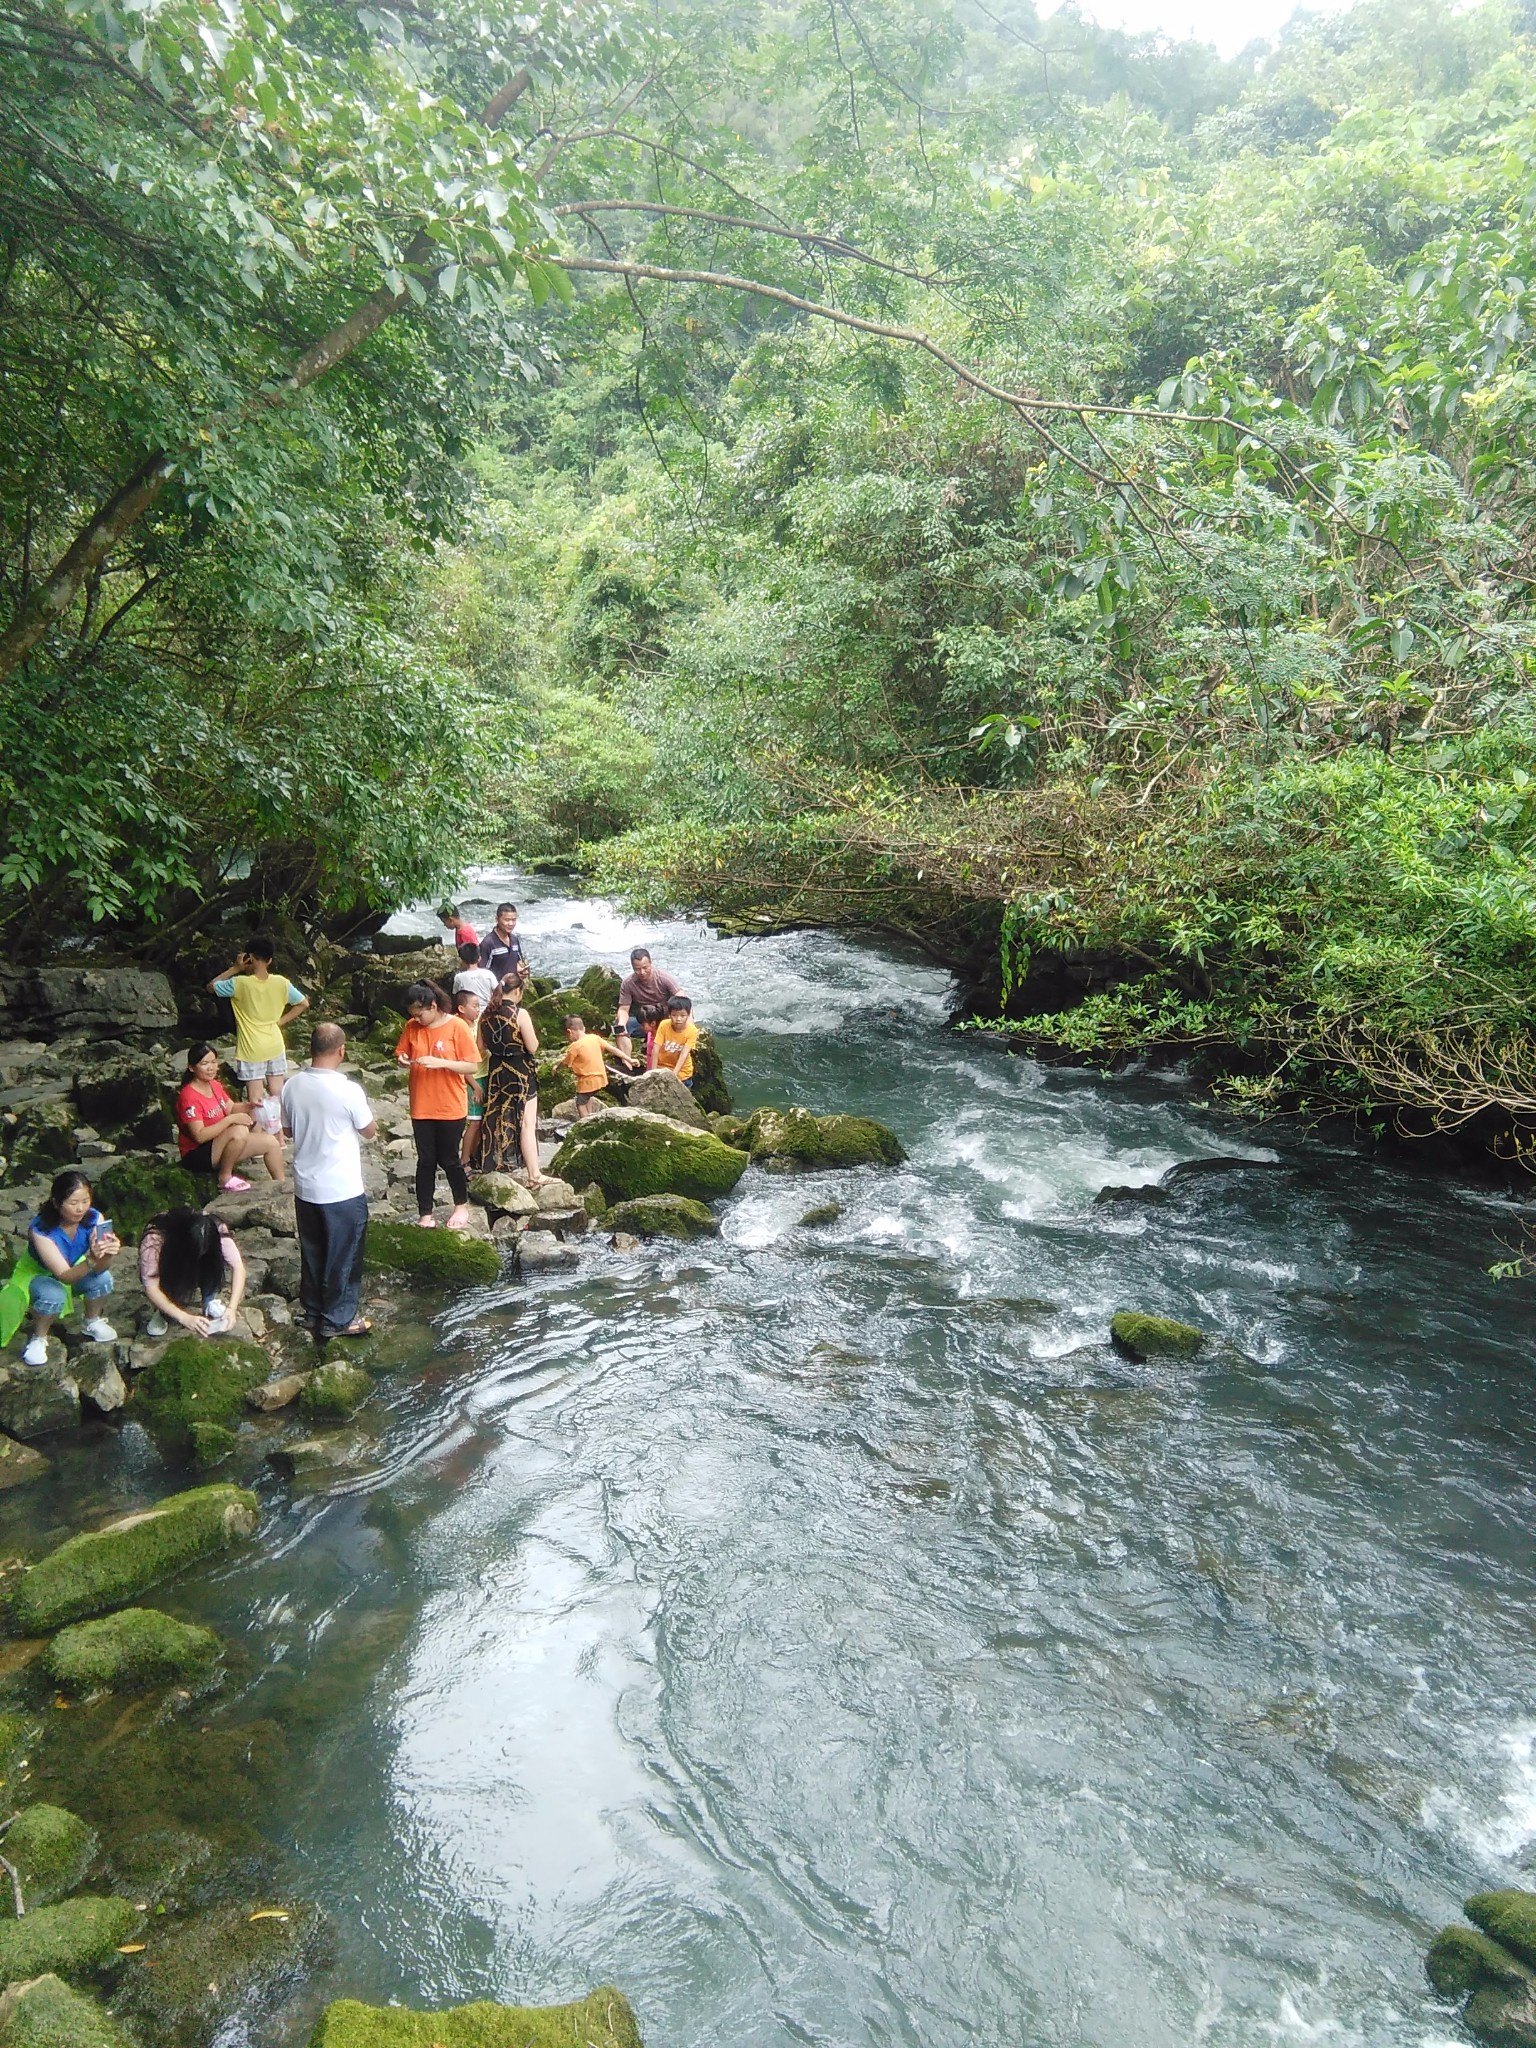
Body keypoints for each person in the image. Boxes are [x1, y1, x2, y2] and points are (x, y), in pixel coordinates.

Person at [282, 1022, 378, 1341]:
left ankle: (312, 1310)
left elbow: (287, 1131)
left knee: (314, 1250)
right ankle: (338, 1318)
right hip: (341, 1188)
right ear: (341, 1050)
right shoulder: (348, 1089)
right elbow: (369, 1130)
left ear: (311, 1049)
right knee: (345, 1254)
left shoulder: (291, 1086)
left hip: (305, 1186)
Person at [0, 1171, 120, 1367]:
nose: (80, 1208)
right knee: (53, 1293)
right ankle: (39, 1337)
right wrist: (91, 1258)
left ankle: (92, 1320)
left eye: (85, 1200)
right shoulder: (41, 1230)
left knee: (103, 1279)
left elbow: (100, 1269)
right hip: (39, 1273)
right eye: (73, 1203)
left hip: (75, 1266)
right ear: (56, 1203)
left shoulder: (95, 1219)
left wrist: (108, 1254)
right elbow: (64, 1276)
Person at [394, 983, 479, 1228]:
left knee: (450, 1158)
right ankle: (425, 1214)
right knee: (426, 1160)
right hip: (421, 1103)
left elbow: (471, 1065)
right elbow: (402, 1054)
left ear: (433, 1006)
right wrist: (403, 1060)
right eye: (413, 1015)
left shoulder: (457, 1026)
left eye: (420, 1014)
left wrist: (442, 1063)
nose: (416, 1019)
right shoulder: (412, 1027)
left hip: (449, 1104)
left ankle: (461, 1205)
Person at [206, 935, 309, 1106]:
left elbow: (211, 986)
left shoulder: (239, 984)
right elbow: (303, 1003)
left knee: (256, 1099)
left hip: (251, 1048)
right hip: (275, 1043)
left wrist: (235, 968)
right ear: (270, 960)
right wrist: (281, 1021)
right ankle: (280, 1132)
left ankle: (261, 1131)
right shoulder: (281, 983)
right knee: (277, 1092)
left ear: (250, 958)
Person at [176, 1043, 287, 1192]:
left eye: (214, 1062)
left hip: (221, 1143)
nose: (211, 1068)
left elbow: (230, 1108)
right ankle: (225, 1176)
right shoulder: (189, 1096)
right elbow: (199, 1136)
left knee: (270, 1142)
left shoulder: (214, 1085)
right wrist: (231, 1120)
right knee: (239, 1131)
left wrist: (251, 1105)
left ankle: (282, 1186)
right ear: (192, 1067)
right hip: (198, 1153)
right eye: (204, 1063)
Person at [477, 976, 543, 1183]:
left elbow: (480, 1046)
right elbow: (532, 1047)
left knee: (495, 1116)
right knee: (526, 1122)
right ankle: (534, 1173)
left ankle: (494, 1165)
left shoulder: (485, 1014)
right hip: (520, 1070)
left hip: (496, 1070)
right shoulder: (519, 1013)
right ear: (518, 991)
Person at [141, 1209, 246, 1338]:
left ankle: (209, 1300)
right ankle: (164, 1311)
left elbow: (238, 1267)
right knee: (174, 1280)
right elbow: (151, 1286)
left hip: (203, 1259)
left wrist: (232, 1308)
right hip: (172, 1263)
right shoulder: (155, 1239)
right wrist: (184, 1318)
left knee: (212, 1262)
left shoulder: (215, 1229)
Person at [559, 1015, 636, 1119]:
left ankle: (585, 1123)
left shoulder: (575, 1046)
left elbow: (565, 1062)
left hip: (587, 1081)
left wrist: (556, 1067)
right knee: (588, 1097)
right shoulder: (595, 1038)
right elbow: (613, 1049)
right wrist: (629, 1059)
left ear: (570, 1032)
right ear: (584, 1028)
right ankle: (590, 1116)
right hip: (601, 1079)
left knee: (580, 1103)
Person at [615, 947, 682, 1065]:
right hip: (644, 1022)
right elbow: (623, 1009)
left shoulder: (663, 978)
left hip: (665, 1021)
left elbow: (682, 998)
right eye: (637, 969)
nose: (642, 972)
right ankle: (627, 1060)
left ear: (651, 963)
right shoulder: (628, 984)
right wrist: (621, 1023)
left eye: (645, 968)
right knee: (620, 1025)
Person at [455, 987, 488, 1169]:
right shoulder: (461, 1029)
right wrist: (475, 1086)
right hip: (472, 1080)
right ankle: (464, 1160)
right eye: (474, 1006)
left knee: (480, 1121)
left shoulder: (475, 1025)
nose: (478, 1009)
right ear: (461, 1008)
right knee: (474, 1122)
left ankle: (474, 1156)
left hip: (483, 1074)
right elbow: (463, 1062)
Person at [651, 993, 701, 1088]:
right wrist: (653, 1072)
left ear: (688, 1014)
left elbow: (684, 1054)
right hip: (662, 1069)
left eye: (682, 1015)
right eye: (674, 1015)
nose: (678, 1019)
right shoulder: (664, 1025)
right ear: (669, 1014)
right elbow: (655, 1049)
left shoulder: (692, 1031)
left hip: (682, 1074)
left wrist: (673, 1075)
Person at [478, 903, 529, 990]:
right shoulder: (488, 943)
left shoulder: (514, 940)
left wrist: (520, 970)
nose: (511, 923)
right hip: (496, 992)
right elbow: (482, 973)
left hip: (513, 991)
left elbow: (518, 961)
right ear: (497, 919)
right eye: (507, 920)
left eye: (514, 920)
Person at [451, 941, 498, 1006]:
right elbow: (497, 991)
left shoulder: (459, 978)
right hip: (487, 1011)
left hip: (468, 1012)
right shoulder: (489, 974)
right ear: (479, 958)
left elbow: (456, 996)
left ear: (461, 960)